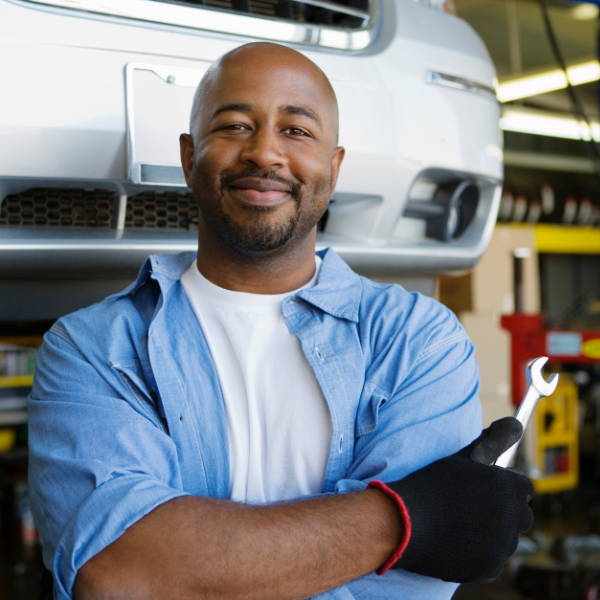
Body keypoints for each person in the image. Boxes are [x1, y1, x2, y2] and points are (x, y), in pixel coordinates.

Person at [28, 42, 533, 600]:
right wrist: (406, 521)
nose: (265, 152)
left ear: (334, 168)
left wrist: (189, 564)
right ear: (189, 156)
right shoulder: (92, 347)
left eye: (296, 131)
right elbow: (118, 573)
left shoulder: (418, 341)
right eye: (236, 126)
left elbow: (406, 593)